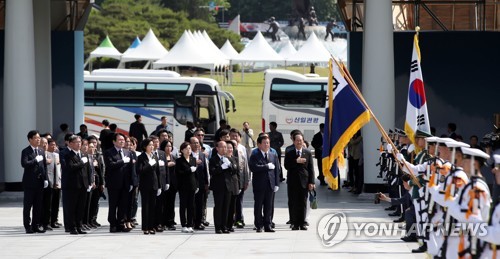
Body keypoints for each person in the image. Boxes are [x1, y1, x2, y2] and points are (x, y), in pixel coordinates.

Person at [103, 133, 136, 233]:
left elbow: (131, 169)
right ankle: (112, 224)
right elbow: (110, 165)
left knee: (123, 205)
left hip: (125, 183)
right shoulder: (108, 152)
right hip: (114, 183)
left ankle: (121, 224)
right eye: (120, 140)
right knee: (113, 205)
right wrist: (122, 161)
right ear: (114, 141)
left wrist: (131, 182)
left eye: (123, 140)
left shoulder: (127, 152)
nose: (122, 141)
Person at [249, 135, 280, 233]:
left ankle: (268, 225)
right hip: (259, 185)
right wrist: (266, 166)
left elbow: (277, 170)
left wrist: (276, 183)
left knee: (269, 206)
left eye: (268, 143)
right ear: (259, 144)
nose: (267, 145)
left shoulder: (273, 154)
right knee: (258, 206)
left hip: (270, 184)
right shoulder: (255, 155)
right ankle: (258, 225)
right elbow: (254, 167)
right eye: (264, 143)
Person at [284, 132, 315, 230]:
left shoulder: (307, 152)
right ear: (293, 141)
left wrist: (312, 182)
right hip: (292, 181)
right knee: (293, 202)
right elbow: (286, 166)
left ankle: (302, 222)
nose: (299, 142)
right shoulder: (289, 152)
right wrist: (295, 161)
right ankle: (294, 222)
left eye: (300, 140)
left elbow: (311, 168)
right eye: (297, 140)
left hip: (304, 182)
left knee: (303, 202)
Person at [21, 130, 48, 234]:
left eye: (39, 138)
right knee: (28, 206)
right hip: (29, 183)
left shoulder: (41, 151)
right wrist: (35, 160)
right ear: (30, 139)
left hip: (40, 182)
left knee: (38, 206)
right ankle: (27, 226)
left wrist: (45, 179)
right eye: (36, 138)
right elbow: (24, 164)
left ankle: (36, 225)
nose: (38, 139)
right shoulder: (26, 151)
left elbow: (44, 166)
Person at [63, 135, 90, 235]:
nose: (79, 144)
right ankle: (72, 227)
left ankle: (79, 226)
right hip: (73, 185)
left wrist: (88, 182)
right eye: (76, 142)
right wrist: (81, 163)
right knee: (72, 207)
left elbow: (86, 170)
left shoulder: (82, 154)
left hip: (83, 185)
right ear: (70, 144)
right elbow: (70, 168)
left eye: (80, 142)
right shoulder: (67, 155)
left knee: (81, 207)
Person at [209, 141, 238, 234]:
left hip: (228, 186)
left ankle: (224, 226)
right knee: (218, 207)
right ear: (217, 148)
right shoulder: (213, 159)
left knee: (226, 207)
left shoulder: (229, 158)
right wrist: (222, 167)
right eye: (222, 147)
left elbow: (234, 170)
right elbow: (213, 172)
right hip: (218, 187)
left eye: (225, 147)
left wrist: (229, 164)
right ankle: (218, 227)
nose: (224, 149)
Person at [136, 138, 161, 235]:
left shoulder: (154, 156)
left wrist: (159, 185)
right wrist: (149, 165)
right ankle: (145, 227)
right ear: (145, 147)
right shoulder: (141, 157)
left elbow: (157, 171)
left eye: (152, 145)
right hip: (145, 185)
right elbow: (139, 170)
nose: (152, 146)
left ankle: (151, 226)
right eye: (149, 145)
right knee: (145, 206)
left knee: (152, 206)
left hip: (154, 184)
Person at [176, 142, 198, 233]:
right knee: (183, 205)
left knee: (191, 206)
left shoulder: (193, 159)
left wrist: (197, 185)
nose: (188, 150)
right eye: (186, 148)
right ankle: (184, 224)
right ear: (182, 150)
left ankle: (190, 224)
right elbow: (178, 173)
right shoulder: (179, 160)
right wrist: (189, 170)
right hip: (183, 186)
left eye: (189, 148)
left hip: (192, 185)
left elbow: (196, 174)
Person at [190, 137, 209, 230]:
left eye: (197, 143)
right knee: (191, 204)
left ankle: (199, 222)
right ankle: (191, 222)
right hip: (190, 183)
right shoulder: (188, 154)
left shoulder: (202, 155)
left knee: (200, 204)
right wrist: (194, 162)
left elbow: (205, 169)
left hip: (201, 183)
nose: (196, 145)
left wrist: (206, 182)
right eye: (194, 143)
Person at [160, 140, 177, 231]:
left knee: (171, 204)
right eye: (167, 146)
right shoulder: (161, 156)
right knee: (163, 204)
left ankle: (170, 222)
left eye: (170, 146)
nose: (169, 148)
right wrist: (167, 164)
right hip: (163, 183)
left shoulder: (173, 157)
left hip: (172, 184)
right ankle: (162, 222)